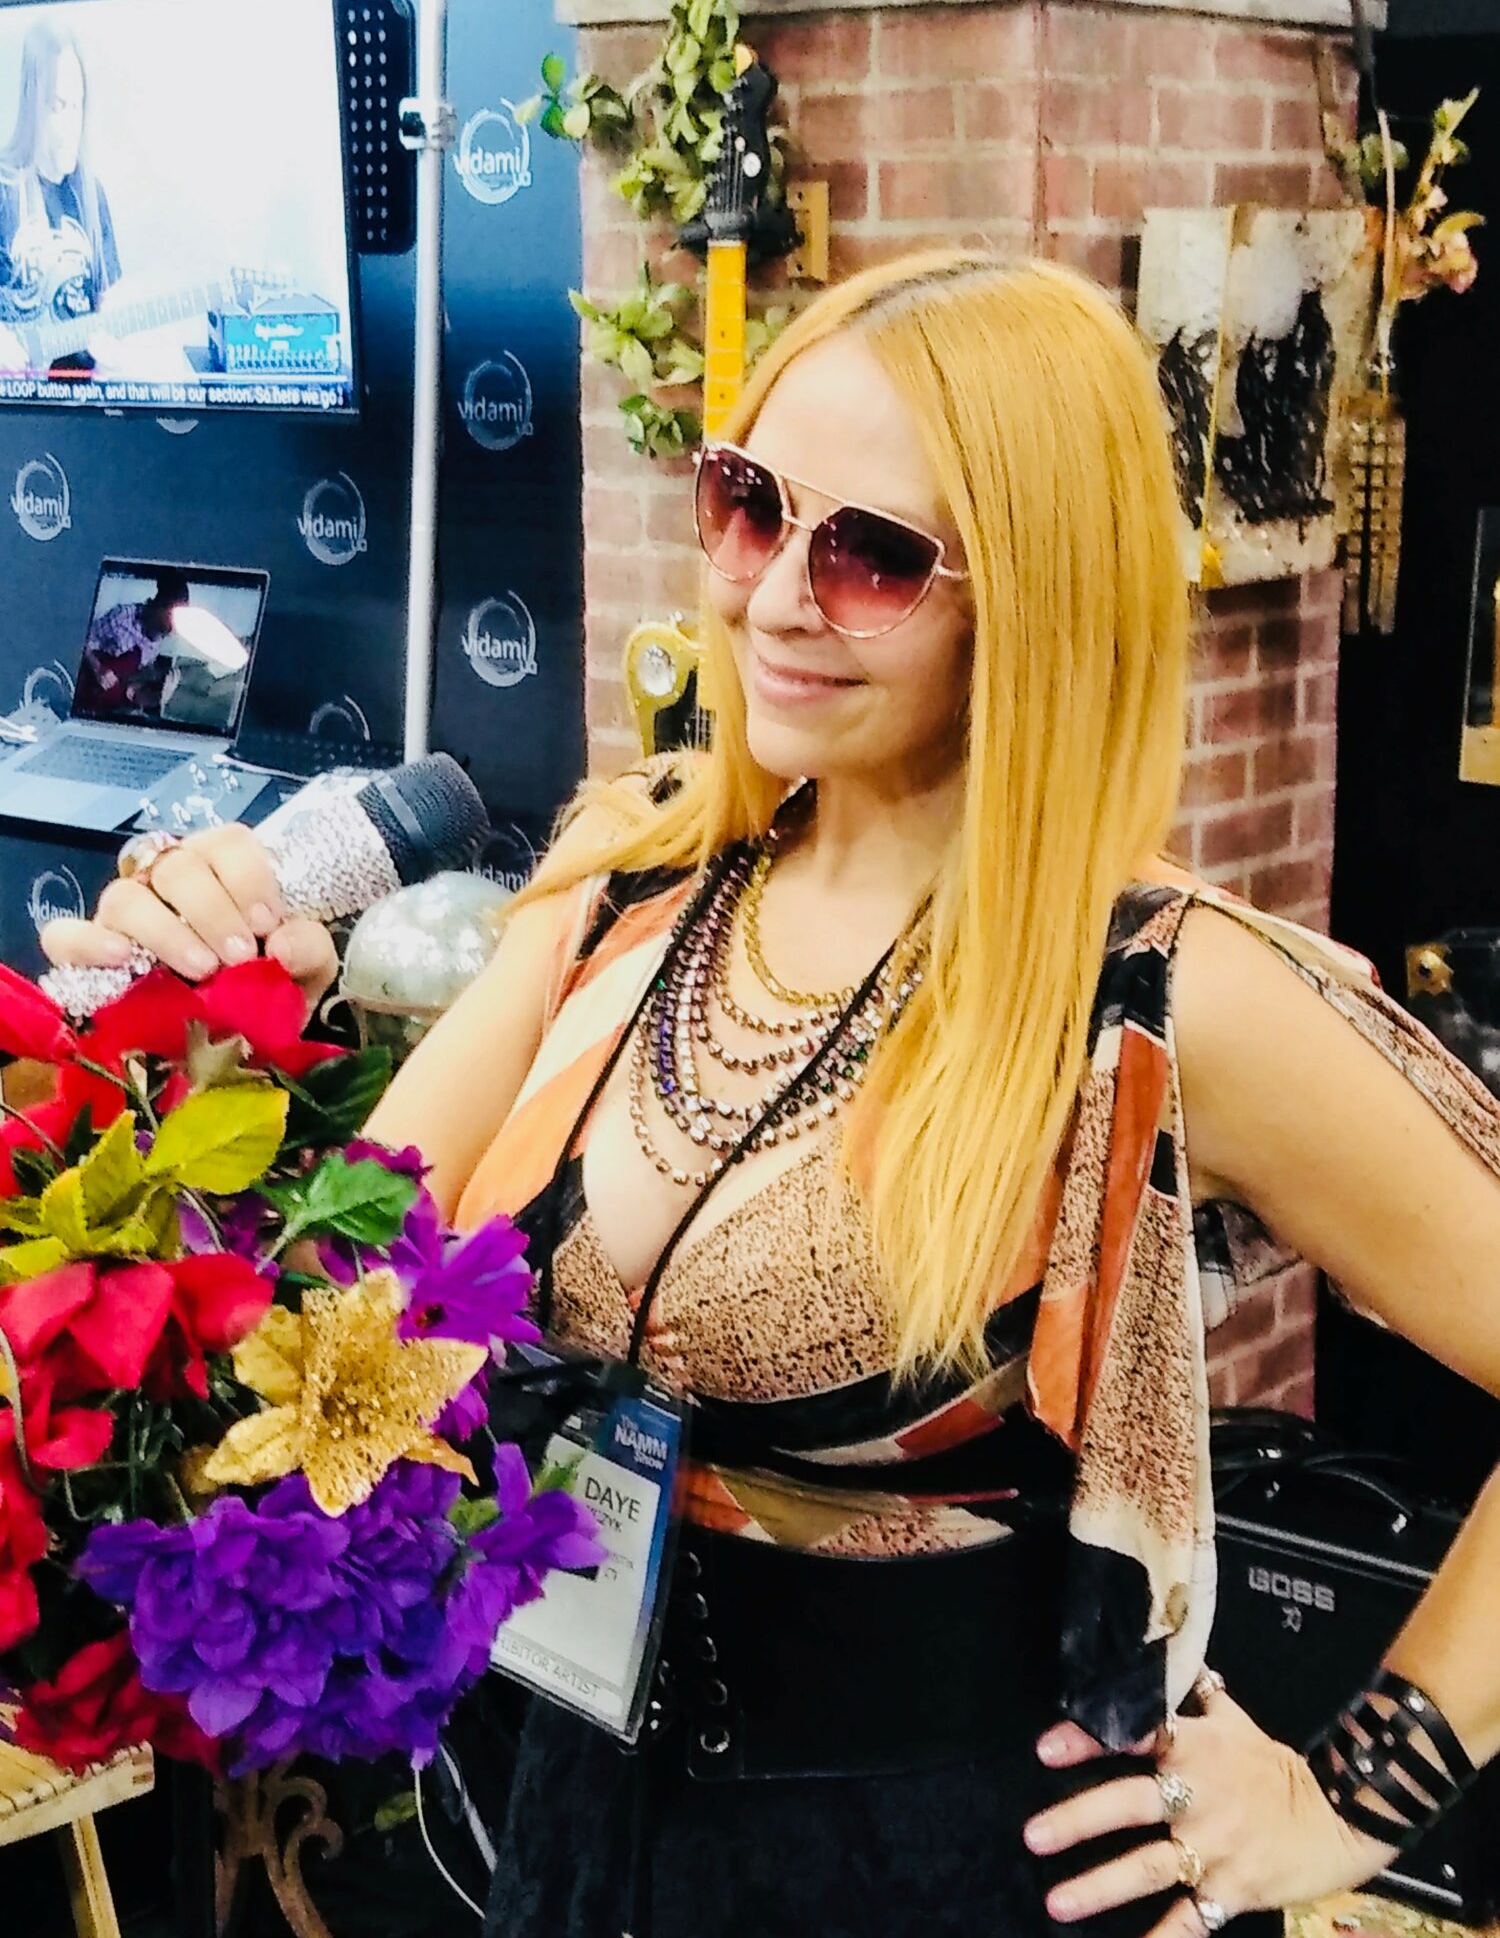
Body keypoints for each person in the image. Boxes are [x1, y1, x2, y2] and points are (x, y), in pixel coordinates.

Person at [42, 251, 1500, 1938]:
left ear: (1034, 599)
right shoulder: (632, 880)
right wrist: (228, 1018)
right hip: (582, 1817)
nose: (777, 596)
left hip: (952, 1874)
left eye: (874, 553)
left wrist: (1355, 1791)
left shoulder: (1168, 998)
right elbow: (336, 1291)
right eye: (748, 504)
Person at [0, 16, 121, 376]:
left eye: (77, 105)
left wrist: (112, 343)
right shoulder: (4, 188)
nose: (70, 123)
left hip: (82, 406)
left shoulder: (91, 193)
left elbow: (107, 301)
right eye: (58, 106)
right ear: (32, 104)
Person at [74, 571, 188, 720]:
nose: (166, 633)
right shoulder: (122, 617)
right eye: (166, 625)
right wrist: (98, 668)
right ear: (159, 606)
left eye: (168, 631)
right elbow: (79, 639)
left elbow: (134, 682)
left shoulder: (155, 644)